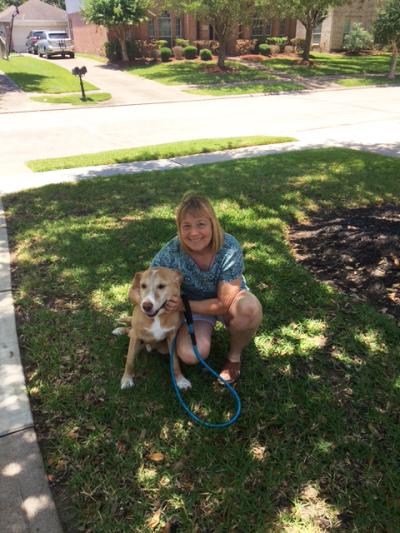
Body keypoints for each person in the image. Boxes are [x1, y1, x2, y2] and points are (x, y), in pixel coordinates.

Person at [150, 193, 263, 384]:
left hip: (225, 302)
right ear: (179, 229)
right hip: (194, 308)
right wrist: (144, 303)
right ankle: (174, 336)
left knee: (249, 309)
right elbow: (144, 283)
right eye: (186, 226)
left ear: (213, 224)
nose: (194, 233)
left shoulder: (230, 247)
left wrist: (182, 306)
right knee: (190, 355)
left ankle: (234, 358)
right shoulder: (172, 250)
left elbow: (222, 304)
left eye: (201, 224)